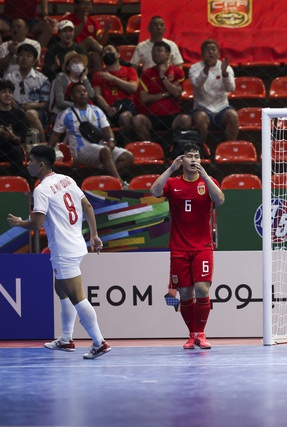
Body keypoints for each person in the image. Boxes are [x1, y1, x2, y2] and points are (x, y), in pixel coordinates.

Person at [6, 145, 111, 359]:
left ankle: (99, 342)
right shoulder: (68, 179)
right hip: (76, 244)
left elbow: (36, 225)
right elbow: (88, 206)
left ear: (41, 164)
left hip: (64, 250)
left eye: (31, 160)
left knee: (77, 296)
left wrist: (19, 223)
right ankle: (66, 339)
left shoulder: (41, 189)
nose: (28, 164)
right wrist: (94, 235)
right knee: (61, 289)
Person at [149, 142, 225, 349]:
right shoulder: (173, 182)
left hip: (203, 246)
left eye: (197, 156)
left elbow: (220, 200)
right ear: (182, 160)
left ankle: (201, 333)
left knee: (202, 289)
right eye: (189, 156)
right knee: (184, 294)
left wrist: (206, 177)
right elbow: (154, 191)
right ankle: (192, 334)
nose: (194, 160)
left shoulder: (208, 182)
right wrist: (171, 168)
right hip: (179, 247)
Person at [49, 82, 133, 187]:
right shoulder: (66, 114)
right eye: (79, 92)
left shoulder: (97, 110)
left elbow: (107, 129)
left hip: (100, 147)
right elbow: (55, 135)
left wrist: (111, 140)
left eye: (84, 91)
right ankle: (120, 184)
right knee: (104, 151)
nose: (83, 94)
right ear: (72, 96)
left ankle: (100, 180)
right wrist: (48, 152)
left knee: (127, 156)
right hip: (79, 150)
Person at [132, 41, 191, 142]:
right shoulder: (147, 73)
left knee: (186, 120)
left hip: (172, 115)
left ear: (168, 54)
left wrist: (163, 77)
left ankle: (176, 149)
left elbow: (176, 93)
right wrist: (165, 94)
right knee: (137, 120)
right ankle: (150, 148)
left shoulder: (177, 72)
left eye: (159, 51)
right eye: (153, 52)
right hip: (151, 116)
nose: (155, 54)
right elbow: (144, 98)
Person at [190, 39, 239, 145]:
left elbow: (231, 88)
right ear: (202, 54)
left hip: (222, 108)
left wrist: (224, 73)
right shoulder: (194, 68)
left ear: (218, 53)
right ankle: (200, 149)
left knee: (233, 115)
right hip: (202, 108)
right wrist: (206, 69)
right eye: (207, 50)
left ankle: (231, 147)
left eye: (213, 49)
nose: (210, 52)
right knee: (200, 118)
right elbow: (197, 85)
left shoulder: (226, 67)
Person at [4, 43, 50, 143]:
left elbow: (46, 104)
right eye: (21, 55)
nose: (24, 58)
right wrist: (9, 100)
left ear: (34, 61)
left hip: (36, 111)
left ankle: (43, 144)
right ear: (17, 59)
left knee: (30, 114)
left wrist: (32, 105)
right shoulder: (9, 78)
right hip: (13, 109)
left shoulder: (42, 79)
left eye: (28, 56)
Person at [92, 44, 139, 140]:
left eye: (109, 50)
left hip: (126, 107)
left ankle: (128, 147)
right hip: (108, 109)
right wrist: (107, 108)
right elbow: (97, 95)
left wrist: (113, 79)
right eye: (104, 52)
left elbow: (133, 88)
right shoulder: (98, 75)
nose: (107, 53)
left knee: (125, 117)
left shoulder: (130, 71)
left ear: (118, 55)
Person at [50, 50, 112, 119]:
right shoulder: (61, 78)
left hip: (84, 111)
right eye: (74, 61)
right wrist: (79, 105)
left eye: (79, 61)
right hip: (64, 112)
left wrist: (84, 77)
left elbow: (91, 95)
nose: (78, 64)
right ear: (68, 67)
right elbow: (60, 102)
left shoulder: (83, 79)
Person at [67, 0, 109, 72]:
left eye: (89, 4)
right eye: (84, 4)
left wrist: (106, 32)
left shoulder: (93, 22)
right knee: (89, 40)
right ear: (76, 6)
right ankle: (110, 57)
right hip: (71, 52)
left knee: (96, 55)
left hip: (86, 54)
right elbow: (70, 38)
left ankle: (98, 80)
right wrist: (83, 23)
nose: (87, 7)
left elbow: (101, 42)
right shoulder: (68, 19)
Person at [0, 79, 28, 175]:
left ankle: (18, 184)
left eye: (10, 92)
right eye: (3, 92)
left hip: (11, 147)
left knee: (17, 151)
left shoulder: (19, 114)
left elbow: (20, 140)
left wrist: (12, 136)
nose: (7, 95)